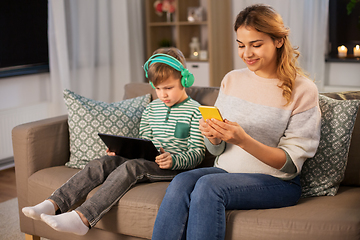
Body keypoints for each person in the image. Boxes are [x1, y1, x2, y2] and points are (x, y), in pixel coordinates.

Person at [151, 4, 321, 240]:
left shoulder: (303, 90)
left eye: (256, 44)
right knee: (181, 181)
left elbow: (291, 165)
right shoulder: (231, 79)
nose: (246, 53)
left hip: (277, 182)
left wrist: (243, 140)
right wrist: (213, 136)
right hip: (225, 171)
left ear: (278, 41)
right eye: (241, 45)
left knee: (208, 187)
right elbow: (217, 149)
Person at [22, 47, 205, 236]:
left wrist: (174, 160)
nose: (163, 94)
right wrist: (123, 151)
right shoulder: (151, 109)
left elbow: (198, 154)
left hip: (174, 169)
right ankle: (53, 204)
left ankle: (83, 219)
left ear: (184, 81)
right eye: (157, 88)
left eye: (168, 88)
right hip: (147, 160)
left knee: (131, 167)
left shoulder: (196, 111)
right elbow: (144, 142)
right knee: (103, 162)